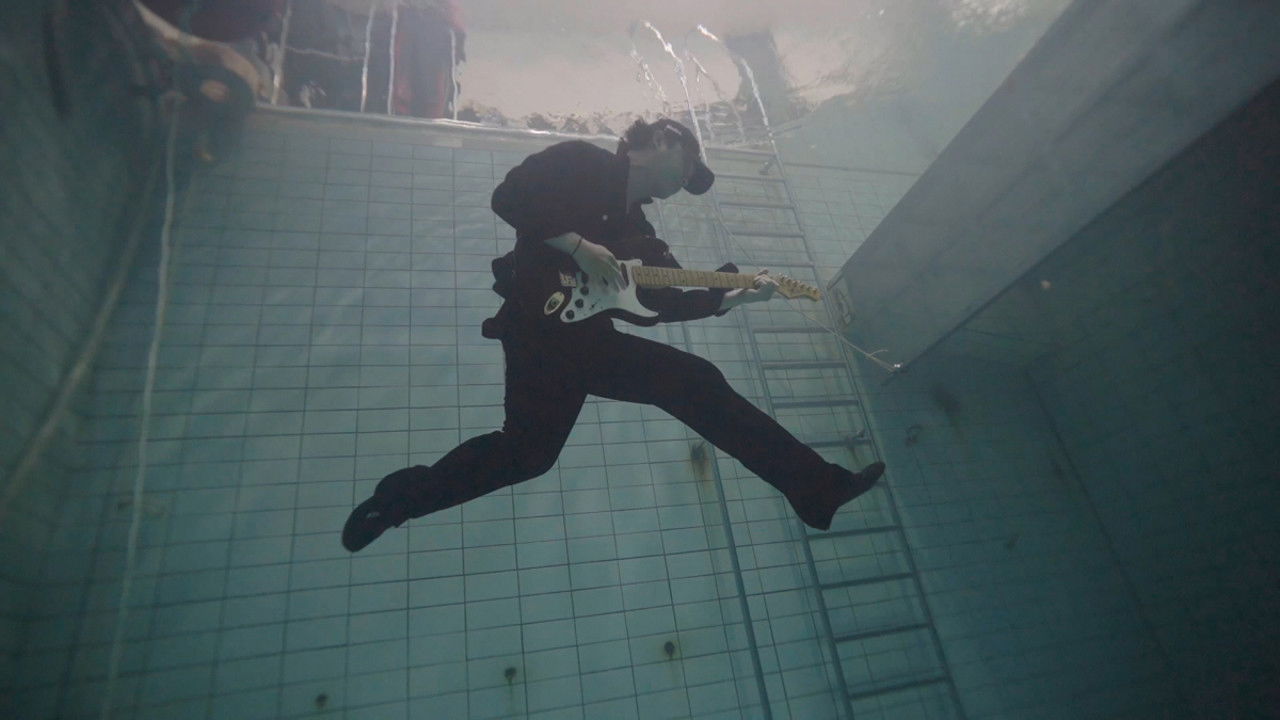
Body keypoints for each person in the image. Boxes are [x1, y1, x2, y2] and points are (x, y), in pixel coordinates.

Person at [342, 117, 884, 552]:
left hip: (590, 342)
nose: (685, 183)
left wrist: (738, 295)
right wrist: (579, 246)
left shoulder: (641, 237)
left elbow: (665, 300)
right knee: (527, 456)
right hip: (537, 333)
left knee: (695, 380)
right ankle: (397, 503)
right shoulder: (581, 162)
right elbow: (509, 197)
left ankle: (816, 489)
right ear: (662, 140)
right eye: (689, 164)